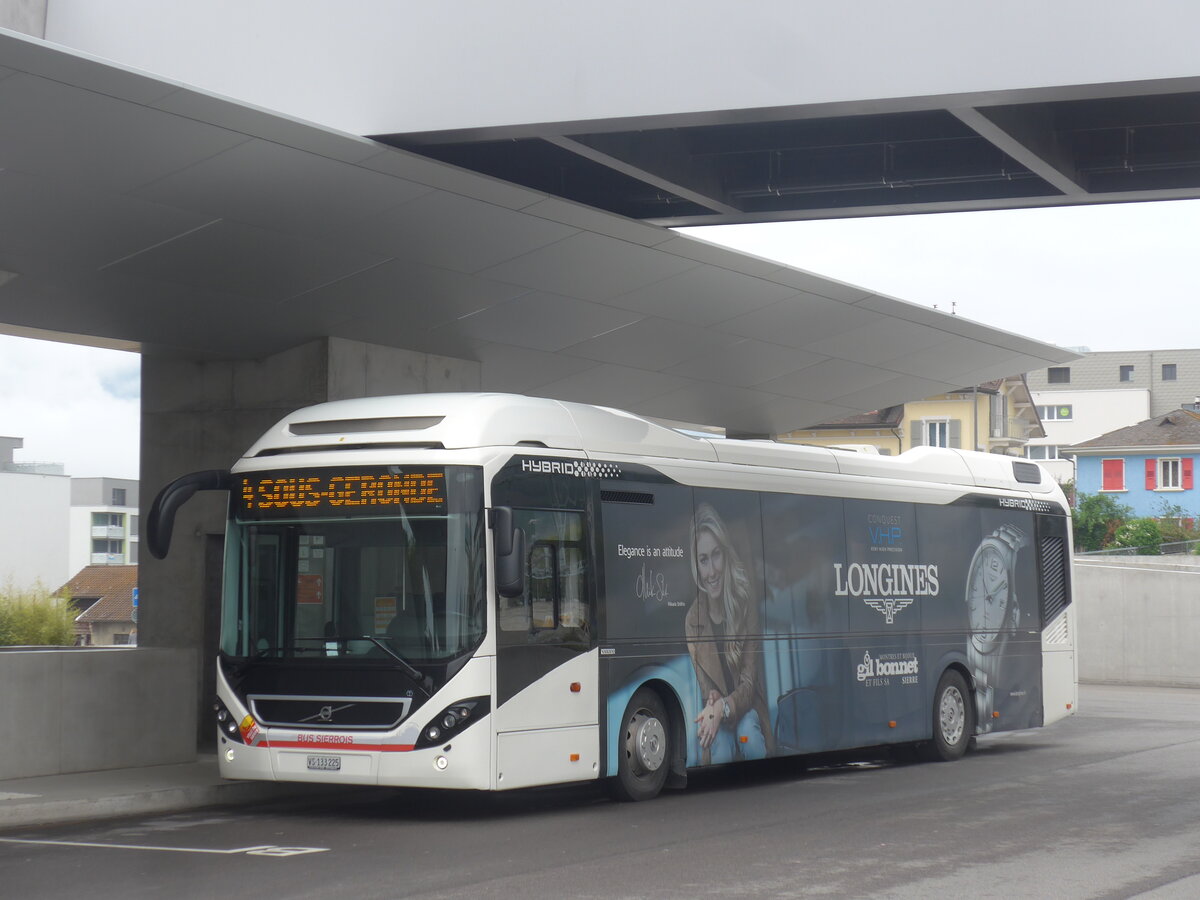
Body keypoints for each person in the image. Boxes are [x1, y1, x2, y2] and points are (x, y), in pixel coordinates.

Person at [685, 502, 774, 764]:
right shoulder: (692, 620)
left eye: (716, 555)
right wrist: (713, 702)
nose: (711, 571)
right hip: (718, 710)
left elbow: (748, 686)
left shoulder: (744, 600)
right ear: (696, 566)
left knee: (749, 733)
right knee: (718, 745)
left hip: (747, 708)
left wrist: (721, 707)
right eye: (703, 560)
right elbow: (706, 688)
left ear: (725, 555)